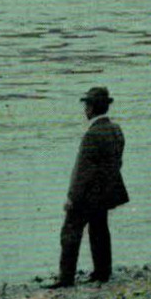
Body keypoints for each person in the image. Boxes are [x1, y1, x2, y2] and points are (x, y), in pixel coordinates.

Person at [55, 86, 129, 288]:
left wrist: (72, 197)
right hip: (106, 193)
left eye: (86, 105)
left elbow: (82, 172)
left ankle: (66, 278)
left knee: (70, 231)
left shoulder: (91, 135)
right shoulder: (116, 130)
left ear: (91, 108)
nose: (84, 109)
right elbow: (117, 163)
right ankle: (102, 272)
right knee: (100, 230)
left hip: (87, 194)